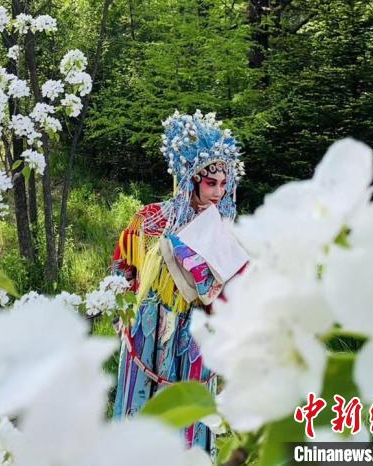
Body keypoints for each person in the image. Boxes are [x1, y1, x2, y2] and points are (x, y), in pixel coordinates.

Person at [111, 110, 246, 460]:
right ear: (191, 180)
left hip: (194, 339)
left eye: (224, 184)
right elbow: (122, 269)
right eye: (211, 183)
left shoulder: (225, 233)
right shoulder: (151, 219)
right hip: (147, 331)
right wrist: (122, 313)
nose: (218, 192)